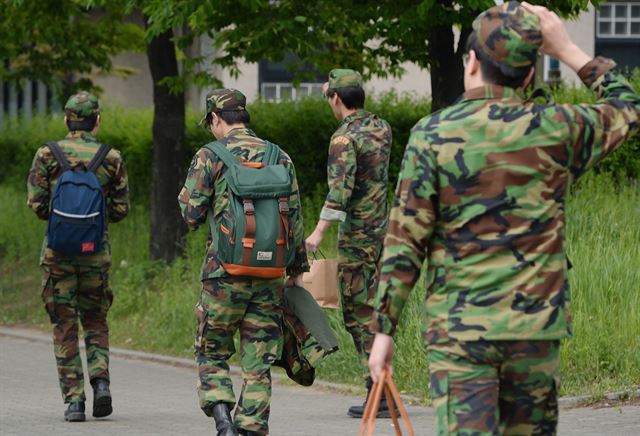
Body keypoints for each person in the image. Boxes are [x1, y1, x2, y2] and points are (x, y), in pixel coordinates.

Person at [368, 2, 640, 435]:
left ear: (471, 61)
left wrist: (384, 330)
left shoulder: (432, 135)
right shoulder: (557, 127)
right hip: (534, 329)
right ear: (530, 74)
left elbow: (406, 238)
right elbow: (627, 108)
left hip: (461, 333)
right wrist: (569, 49)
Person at [178, 89, 308, 436]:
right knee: (259, 359)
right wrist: (296, 271)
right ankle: (250, 428)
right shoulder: (279, 157)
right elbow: (294, 219)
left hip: (223, 275)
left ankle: (223, 423)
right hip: (269, 276)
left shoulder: (210, 156)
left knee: (212, 350)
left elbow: (190, 215)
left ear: (216, 119)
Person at [27, 91, 130, 422]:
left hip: (57, 255)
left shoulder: (47, 154)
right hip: (95, 254)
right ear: (97, 120)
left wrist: (63, 224)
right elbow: (121, 209)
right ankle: (101, 383)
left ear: (66, 120)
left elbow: (37, 204)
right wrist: (93, 222)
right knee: (96, 320)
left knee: (64, 325)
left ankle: (74, 402)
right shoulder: (110, 157)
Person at [305, 69, 393, 418]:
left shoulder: (343, 139)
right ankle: (383, 387)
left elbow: (340, 190)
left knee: (359, 313)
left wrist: (318, 232)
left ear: (336, 99)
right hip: (383, 233)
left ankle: (378, 392)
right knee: (380, 308)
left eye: (329, 96)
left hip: (357, 238)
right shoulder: (382, 128)